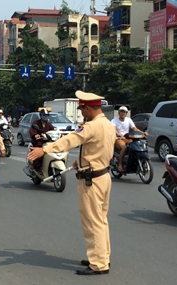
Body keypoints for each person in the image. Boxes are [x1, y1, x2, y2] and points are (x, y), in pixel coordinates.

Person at [28, 91, 113, 276]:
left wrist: (46, 149)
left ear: (89, 108)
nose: (81, 111)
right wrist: (81, 161)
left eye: (82, 108)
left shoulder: (91, 126)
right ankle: (102, 256)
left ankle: (98, 264)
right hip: (103, 176)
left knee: (92, 222)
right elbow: (100, 149)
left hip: (91, 181)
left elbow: (71, 140)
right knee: (101, 220)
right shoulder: (108, 124)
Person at [111, 106, 147, 172]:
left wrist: (143, 133)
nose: (122, 113)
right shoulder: (114, 120)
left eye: (124, 112)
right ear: (118, 113)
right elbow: (114, 130)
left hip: (128, 138)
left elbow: (134, 129)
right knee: (124, 148)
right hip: (119, 139)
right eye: (121, 112)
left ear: (126, 113)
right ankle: (120, 164)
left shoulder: (129, 120)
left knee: (136, 145)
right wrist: (119, 134)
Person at [29, 108, 55, 174]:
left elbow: (53, 131)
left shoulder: (49, 124)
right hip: (38, 142)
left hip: (47, 142)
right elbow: (32, 130)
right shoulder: (36, 122)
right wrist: (35, 135)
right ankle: (37, 168)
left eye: (46, 115)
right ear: (40, 115)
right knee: (39, 152)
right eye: (44, 115)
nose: (45, 116)